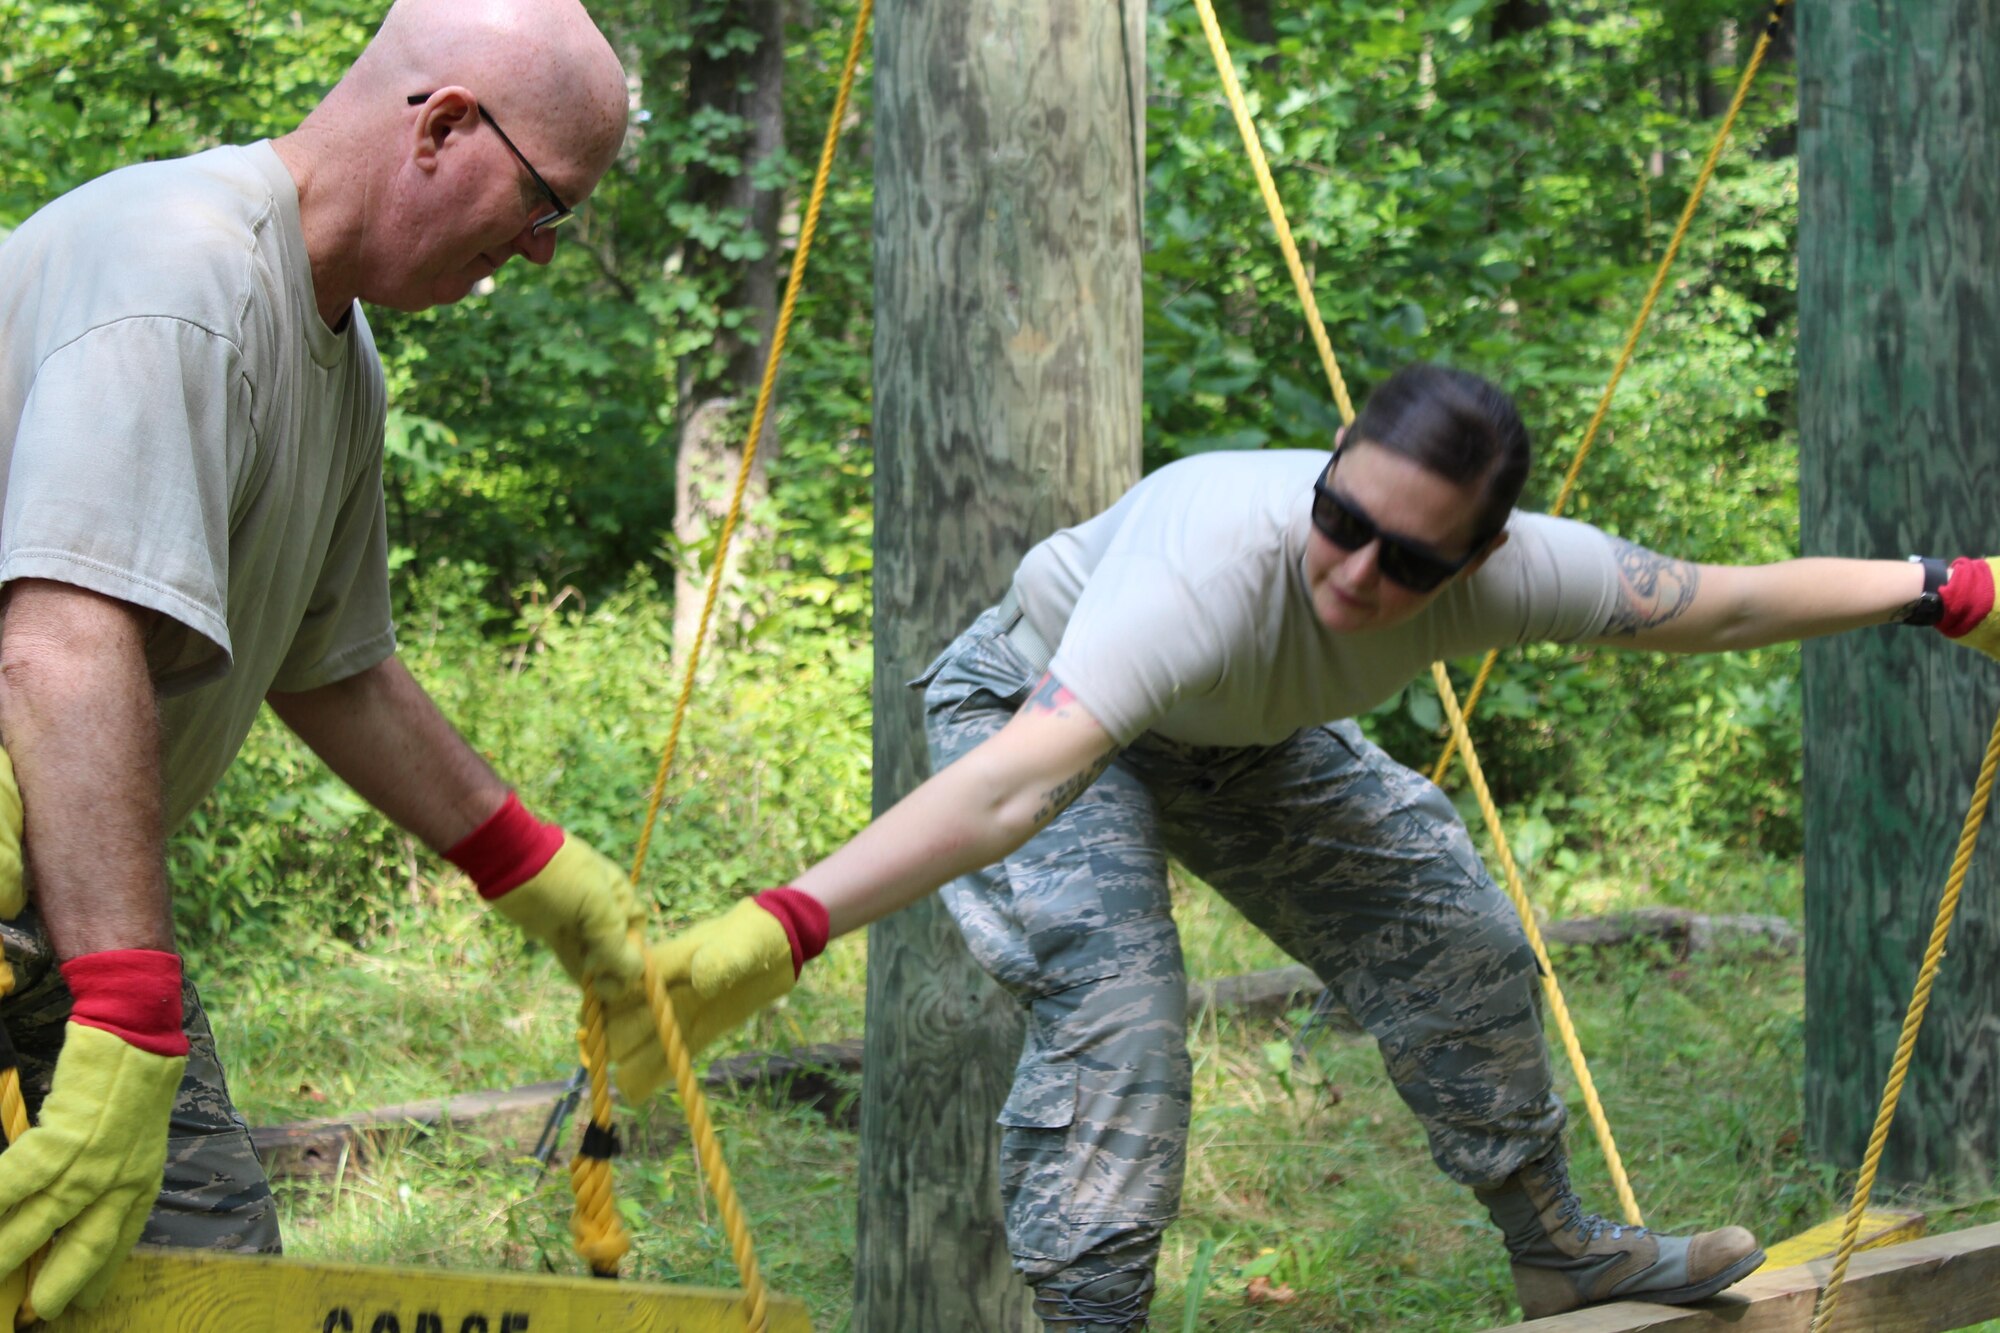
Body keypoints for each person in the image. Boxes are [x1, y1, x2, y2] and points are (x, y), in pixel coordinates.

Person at [616, 363, 2000, 1330]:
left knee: (1459, 930)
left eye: (1404, 560)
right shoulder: (1210, 561)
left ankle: (1560, 1254)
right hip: (1038, 704)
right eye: (1340, 522)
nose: (1352, 572)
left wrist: (1948, 589)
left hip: (1249, 737)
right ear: (1326, 471)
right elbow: (1013, 788)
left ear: (1480, 558)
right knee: (1121, 1018)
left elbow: (1725, 607)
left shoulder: (1523, 571)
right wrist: (781, 923)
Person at [0, 0, 647, 1320]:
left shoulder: (337, 352)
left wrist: (550, 881)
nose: (535, 248)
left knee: (202, 1284)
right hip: (58, 918)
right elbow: (62, 643)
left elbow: (332, 667)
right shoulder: (172, 276)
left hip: (57, 905)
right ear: (448, 125)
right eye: (544, 204)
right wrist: (129, 1020)